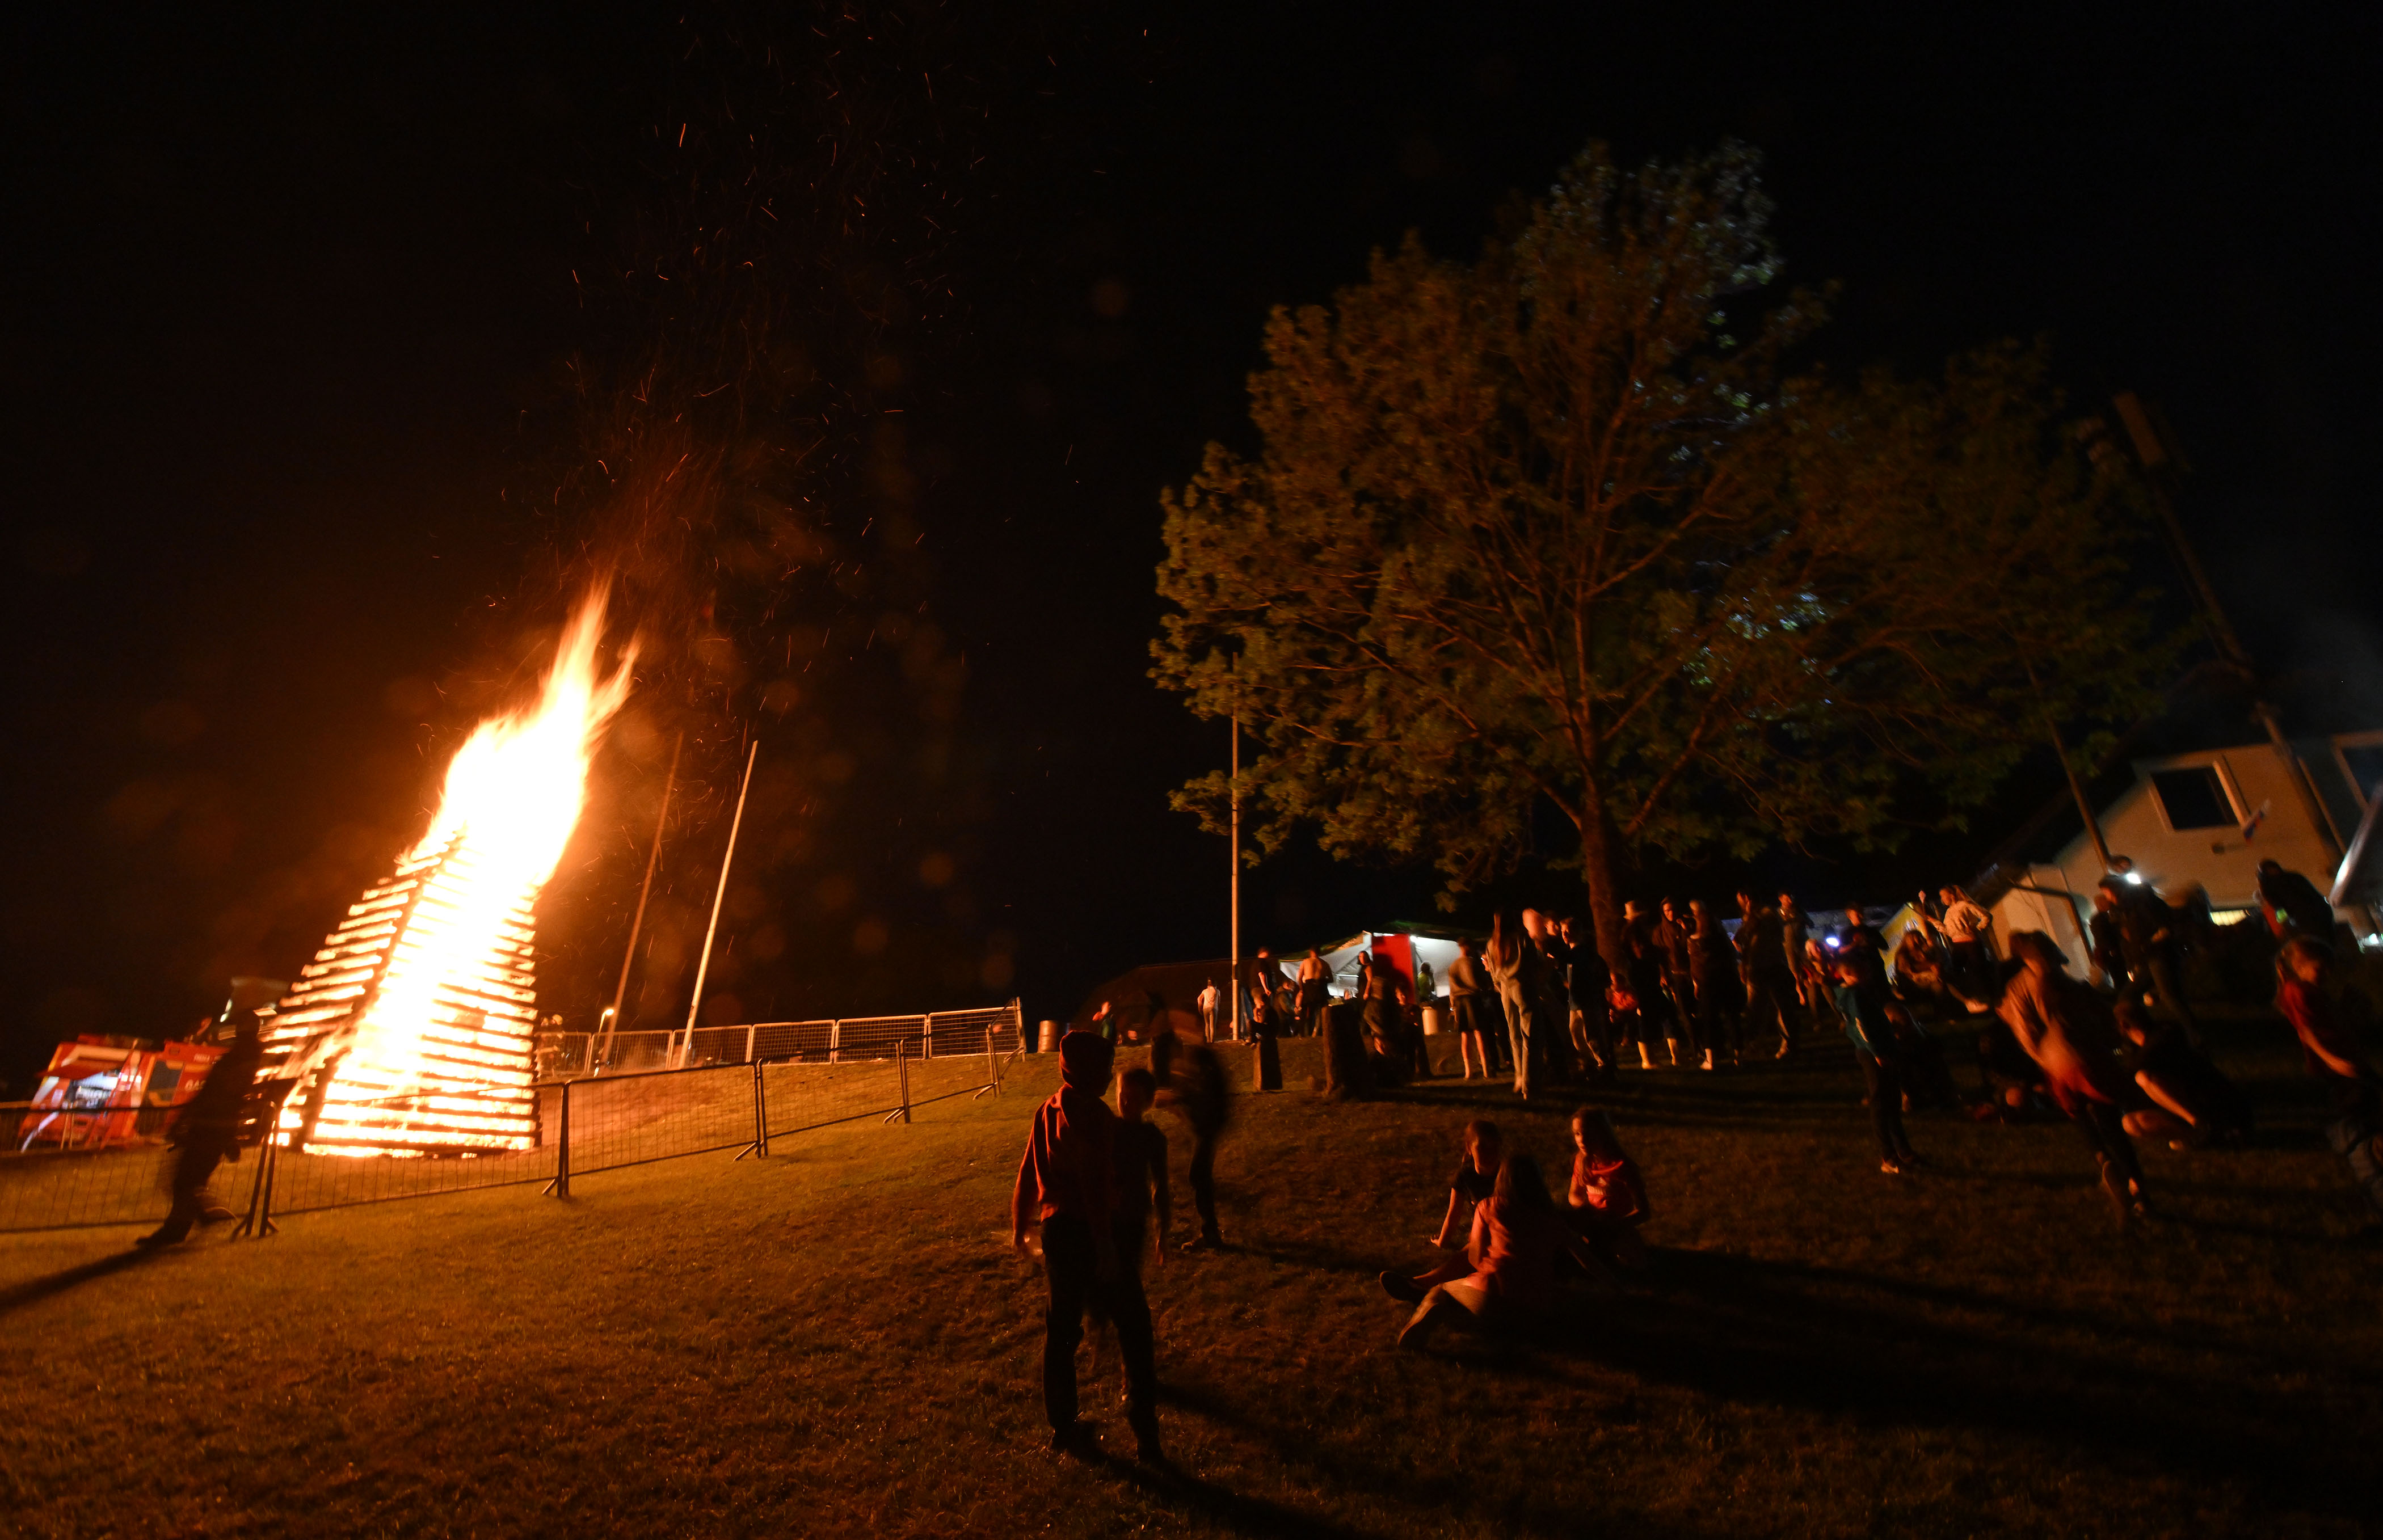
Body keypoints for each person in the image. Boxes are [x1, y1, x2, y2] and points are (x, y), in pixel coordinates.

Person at [1012, 1030, 1161, 1459]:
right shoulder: (1094, 1115)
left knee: (1061, 1329)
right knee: (1134, 1322)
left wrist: (1021, 1225)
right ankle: (1143, 1425)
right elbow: (1094, 1180)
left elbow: (1026, 1171)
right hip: (1088, 1230)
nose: (1111, 1072)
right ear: (1090, 1071)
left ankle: (1064, 1425)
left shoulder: (1047, 1108)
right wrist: (1105, 1243)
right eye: (1106, 1065)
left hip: (1056, 1231)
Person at [1996, 931, 2153, 1225]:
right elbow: (2104, 1025)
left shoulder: (2019, 988)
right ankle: (2138, 1189)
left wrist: (2046, 1062)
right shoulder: (2068, 985)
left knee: (2079, 1114)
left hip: (2057, 1061)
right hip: (2087, 1056)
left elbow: (2027, 1032)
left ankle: (2103, 1160)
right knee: (2110, 1121)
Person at [1385, 1152, 1615, 1350]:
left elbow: (1475, 1257)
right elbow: (1587, 1260)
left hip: (1491, 1293)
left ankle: (1431, 1314)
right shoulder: (1551, 1219)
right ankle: (1496, 1325)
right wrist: (1617, 1287)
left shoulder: (1488, 1207)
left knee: (1443, 1291)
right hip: (1535, 1307)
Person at [2272, 936, 2383, 1223]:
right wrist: (2333, 1061)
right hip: (2338, 1070)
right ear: (2299, 966)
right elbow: (2306, 1031)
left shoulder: (2310, 989)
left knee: (2368, 1120)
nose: (2326, 975)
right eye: (2320, 969)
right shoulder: (2297, 992)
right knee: (2359, 1129)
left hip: (2348, 1063)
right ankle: (2375, 1190)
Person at [137, 1012, 264, 1248]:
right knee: (191, 1182)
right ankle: (182, 1227)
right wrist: (231, 1136)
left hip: (208, 1127)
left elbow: (211, 1094)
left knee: (184, 1181)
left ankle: (198, 1220)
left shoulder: (235, 1060)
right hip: (220, 1128)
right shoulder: (251, 1059)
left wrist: (183, 1120)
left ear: (241, 1030)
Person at [1832, 955, 1919, 1174]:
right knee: (1880, 1103)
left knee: (1891, 1100)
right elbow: (1862, 1027)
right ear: (1850, 975)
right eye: (1864, 973)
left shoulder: (1858, 993)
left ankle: (1904, 1150)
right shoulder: (1854, 996)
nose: (1868, 976)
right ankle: (1888, 1157)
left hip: (1880, 1050)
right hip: (1874, 1053)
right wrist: (1876, 1052)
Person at [2116, 1009, 2251, 1149]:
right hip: (2182, 1107)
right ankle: (2201, 1136)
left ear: (2124, 1025)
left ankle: (2203, 1125)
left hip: (2212, 1102)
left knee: (2143, 1078)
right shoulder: (2135, 1051)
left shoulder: (2164, 1036)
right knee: (2130, 1123)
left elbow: (2136, 1067)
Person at [1164, 1039, 1233, 1251]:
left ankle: (1210, 1233)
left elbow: (1201, 1104)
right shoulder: (1208, 1077)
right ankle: (1210, 1231)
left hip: (1207, 1130)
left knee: (1198, 1176)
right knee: (1199, 1176)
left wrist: (1177, 1099)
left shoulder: (1207, 1079)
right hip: (1206, 1129)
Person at [1564, 1106, 1651, 1272]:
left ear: (1602, 1134)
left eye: (1588, 1133)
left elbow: (1644, 1211)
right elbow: (1574, 1194)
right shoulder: (1581, 1161)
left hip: (1617, 1227)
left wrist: (1615, 1224)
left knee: (1627, 1265)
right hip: (1593, 1222)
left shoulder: (1622, 1167)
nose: (1582, 1140)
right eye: (1577, 1134)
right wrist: (1585, 1210)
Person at [1738, 891, 1797, 1058]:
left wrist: (1749, 917)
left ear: (1747, 898)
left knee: (1782, 1007)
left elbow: (1766, 936)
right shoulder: (1750, 917)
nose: (1740, 904)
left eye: (1740, 900)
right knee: (1756, 1010)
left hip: (1772, 967)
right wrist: (1745, 965)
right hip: (1756, 970)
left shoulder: (1768, 914)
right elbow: (1744, 940)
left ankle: (1788, 1045)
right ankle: (1756, 1045)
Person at [1428, 1119, 1503, 1250]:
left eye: (1494, 1147)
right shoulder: (1465, 1175)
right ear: (1469, 1148)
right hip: (1484, 1230)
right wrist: (1442, 1242)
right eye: (1483, 1147)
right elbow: (1454, 1213)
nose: (1489, 1153)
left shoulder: (1506, 1173)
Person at [1486, 910, 1537, 1098]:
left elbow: (1492, 970)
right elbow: (1532, 962)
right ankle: (1531, 1081)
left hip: (1505, 989)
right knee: (1529, 1034)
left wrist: (1500, 985)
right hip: (1523, 985)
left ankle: (1519, 1077)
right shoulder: (1521, 938)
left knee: (1514, 1034)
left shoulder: (1492, 943)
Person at [1687, 898, 1742, 1070]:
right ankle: (1739, 1057)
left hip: (1707, 984)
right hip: (1726, 980)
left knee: (1710, 1021)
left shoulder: (1693, 941)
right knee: (1733, 1018)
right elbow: (1732, 957)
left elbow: (1695, 966)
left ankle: (1711, 1060)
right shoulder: (1721, 939)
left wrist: (1696, 984)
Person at [1561, 915, 1614, 1080]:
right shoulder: (1571, 955)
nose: (1565, 935)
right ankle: (1589, 1064)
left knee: (1591, 1035)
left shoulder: (1583, 953)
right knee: (1575, 1033)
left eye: (1568, 931)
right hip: (1575, 1002)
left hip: (1586, 1002)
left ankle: (1604, 1066)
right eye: (1563, 931)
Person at [1622, 901, 1670, 1070]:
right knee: (1644, 1016)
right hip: (1642, 979)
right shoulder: (1634, 933)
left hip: (1642, 978)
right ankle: (1648, 1060)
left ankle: (1651, 1058)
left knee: (1648, 1016)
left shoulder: (1632, 932)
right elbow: (1640, 953)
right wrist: (1659, 953)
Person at [1447, 937, 1497, 1080]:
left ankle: (1468, 1071)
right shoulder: (1473, 963)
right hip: (1473, 1000)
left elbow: (1452, 989)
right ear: (1468, 946)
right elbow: (1483, 983)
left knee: (1465, 1035)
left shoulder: (1453, 966)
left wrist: (1453, 1007)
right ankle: (1486, 1069)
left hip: (1459, 1001)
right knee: (1479, 1033)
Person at [1655, 898, 1695, 1068]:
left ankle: (1709, 1045)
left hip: (1693, 973)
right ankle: (1694, 1047)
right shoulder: (1660, 931)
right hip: (1676, 975)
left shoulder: (1686, 924)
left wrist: (1686, 929)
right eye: (1666, 911)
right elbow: (1659, 955)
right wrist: (1663, 974)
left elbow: (1693, 946)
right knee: (1684, 1013)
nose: (1670, 914)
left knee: (1697, 1011)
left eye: (1672, 910)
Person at [1936, 886, 1995, 999]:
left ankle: (1989, 997)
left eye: (1943, 896)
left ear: (1951, 896)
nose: (1942, 899)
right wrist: (1935, 923)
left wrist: (1978, 928)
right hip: (1958, 945)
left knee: (1979, 972)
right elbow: (1950, 931)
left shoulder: (1965, 905)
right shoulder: (1948, 912)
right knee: (1957, 972)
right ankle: (1972, 997)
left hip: (1971, 944)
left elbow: (1986, 916)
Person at [2259, 858, 2335, 942]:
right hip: (2311, 915)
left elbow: (2279, 907)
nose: (2274, 872)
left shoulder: (2272, 887)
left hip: (2307, 916)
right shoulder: (2292, 878)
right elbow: (2279, 908)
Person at [1296, 948, 1331, 1036]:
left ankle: (1307, 1032)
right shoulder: (1325, 963)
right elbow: (1331, 979)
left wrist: (1301, 989)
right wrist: (1322, 981)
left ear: (1311, 952)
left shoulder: (1306, 962)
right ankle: (1317, 1032)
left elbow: (1299, 978)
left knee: (1309, 1011)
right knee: (1320, 1011)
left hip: (1309, 988)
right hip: (1321, 988)